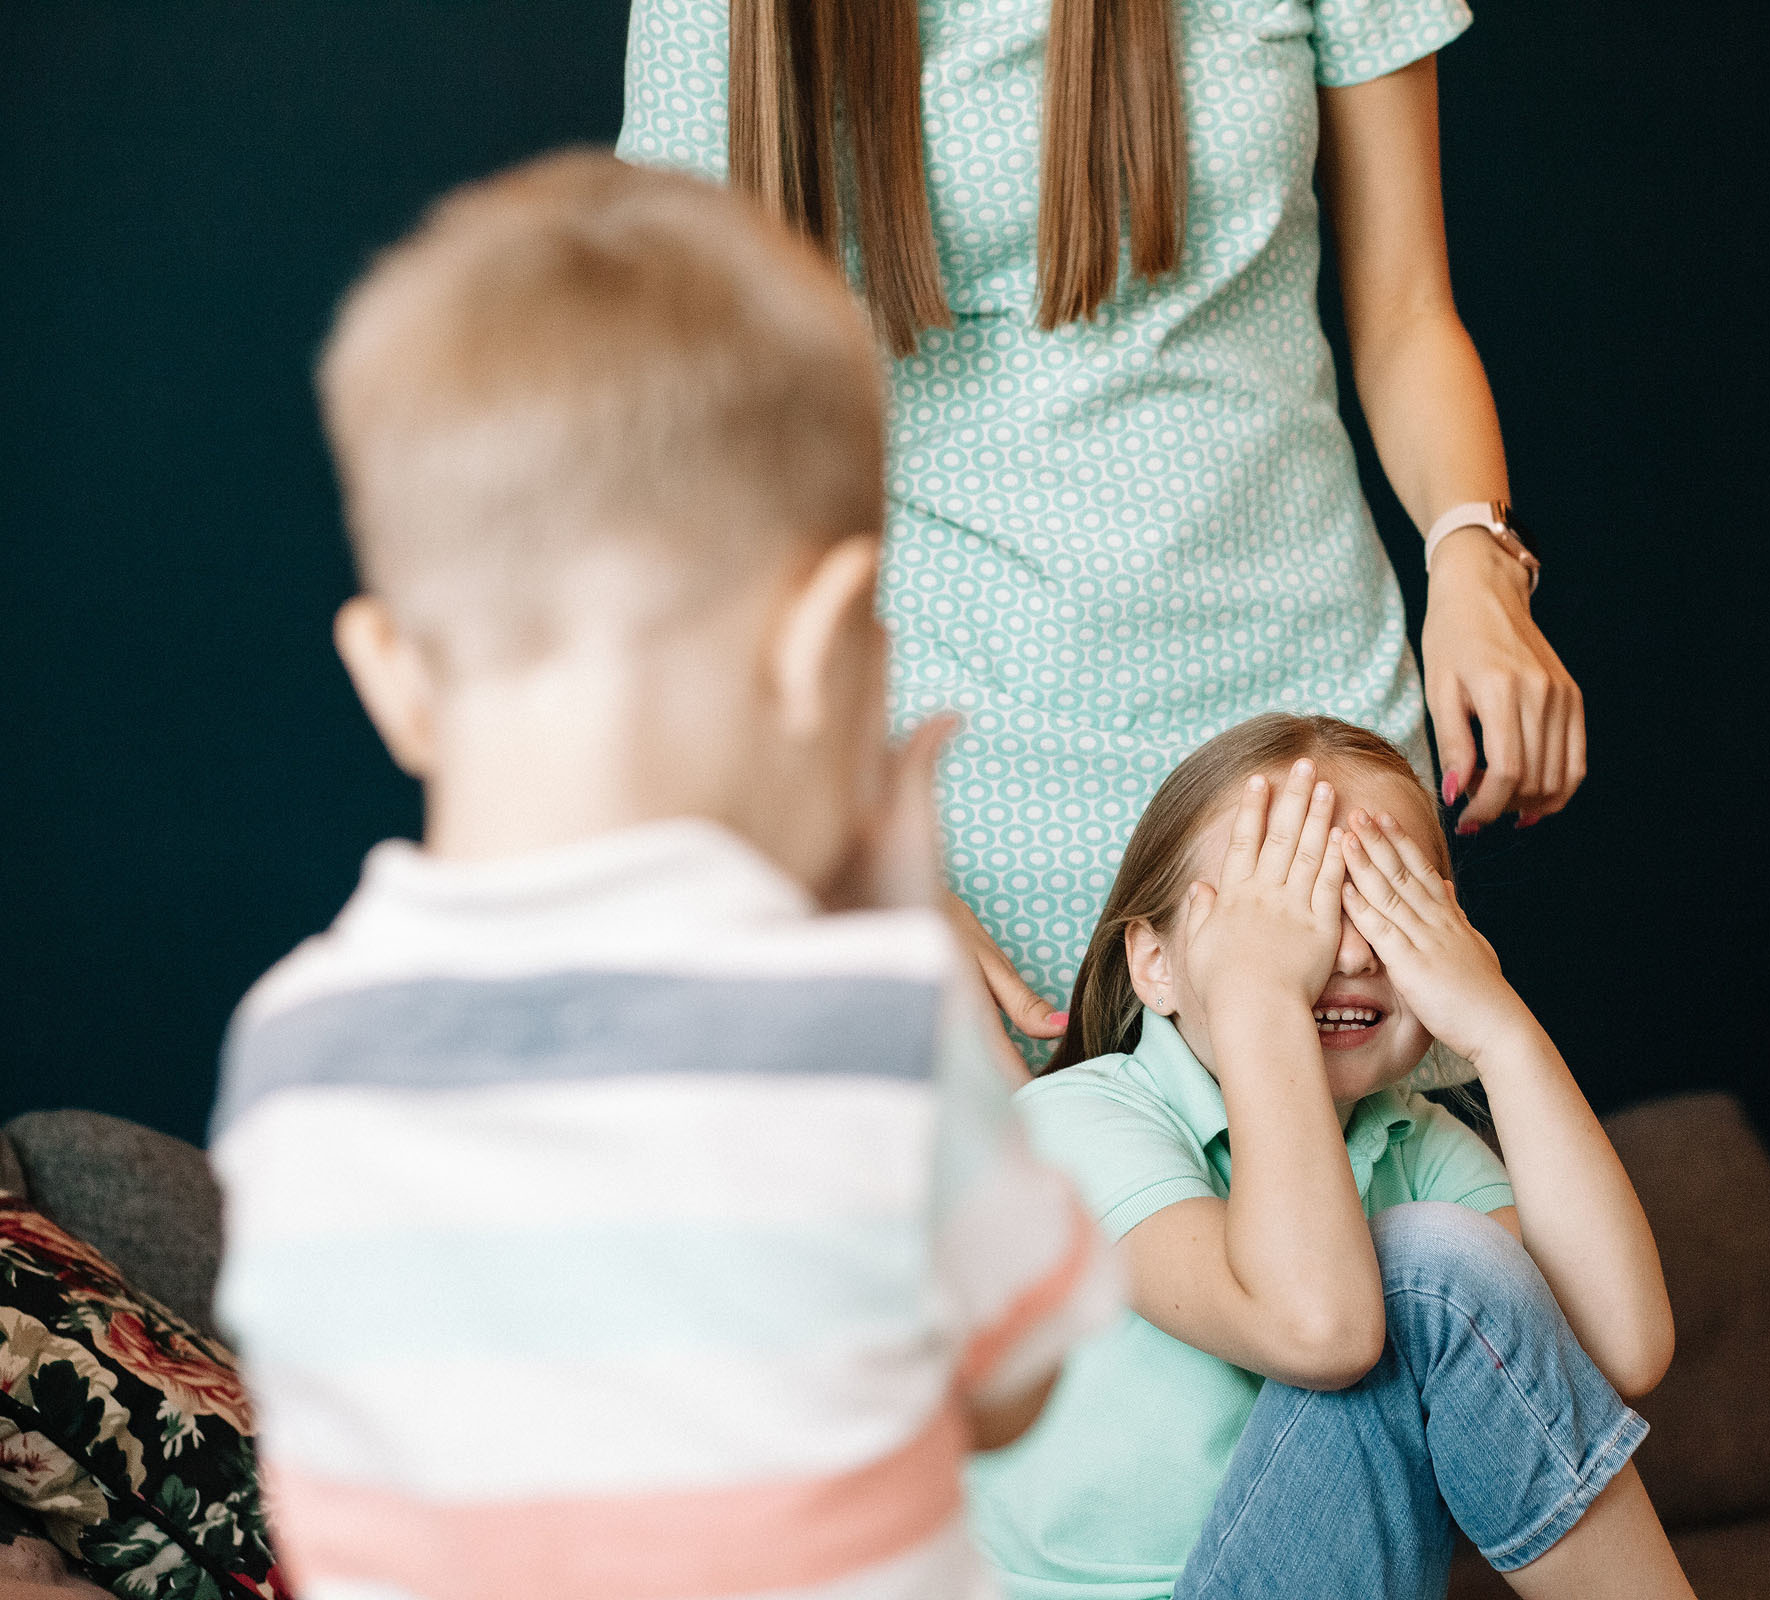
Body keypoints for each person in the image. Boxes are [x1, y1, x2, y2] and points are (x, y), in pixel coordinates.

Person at [208, 151, 1113, 1600]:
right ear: (820, 650)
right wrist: (911, 953)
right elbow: (1018, 1386)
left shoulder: (292, 1056)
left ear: (393, 677)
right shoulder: (869, 1035)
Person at [619, 0, 1588, 1059]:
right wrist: (837, 826)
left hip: (1302, 766)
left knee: (1389, 1218)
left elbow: (1409, 314)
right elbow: (689, 446)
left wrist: (1475, 562)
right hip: (943, 811)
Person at [970, 714, 1693, 1599]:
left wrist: (1499, 1029)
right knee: (1422, 1267)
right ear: (1156, 967)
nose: (1345, 950)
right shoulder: (1071, 1124)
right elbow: (1319, 1329)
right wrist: (1262, 994)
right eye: (1283, 912)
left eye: (1380, 903)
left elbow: (1620, 1348)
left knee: (1437, 1262)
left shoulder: (1413, 1140)